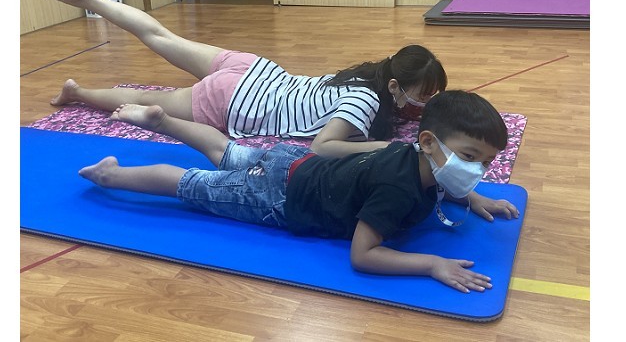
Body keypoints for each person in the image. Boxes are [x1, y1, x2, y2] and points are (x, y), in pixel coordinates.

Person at [79, 90, 520, 293]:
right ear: (428, 141)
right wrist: (432, 265)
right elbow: (363, 255)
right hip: (277, 195)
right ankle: (111, 176)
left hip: (296, 161)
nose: (476, 170)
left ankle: (162, 121)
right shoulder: (398, 190)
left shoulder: (416, 154)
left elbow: (444, 178)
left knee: (225, 150)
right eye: (470, 157)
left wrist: (473, 196)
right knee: (191, 184)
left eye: (485, 162)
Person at [35, 0, 447, 159]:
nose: (424, 103)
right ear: (396, 86)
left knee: (160, 35)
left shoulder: (372, 73)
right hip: (236, 102)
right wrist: (386, 147)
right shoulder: (365, 102)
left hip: (256, 70)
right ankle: (77, 93)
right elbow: (322, 147)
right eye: (423, 95)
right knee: (144, 98)